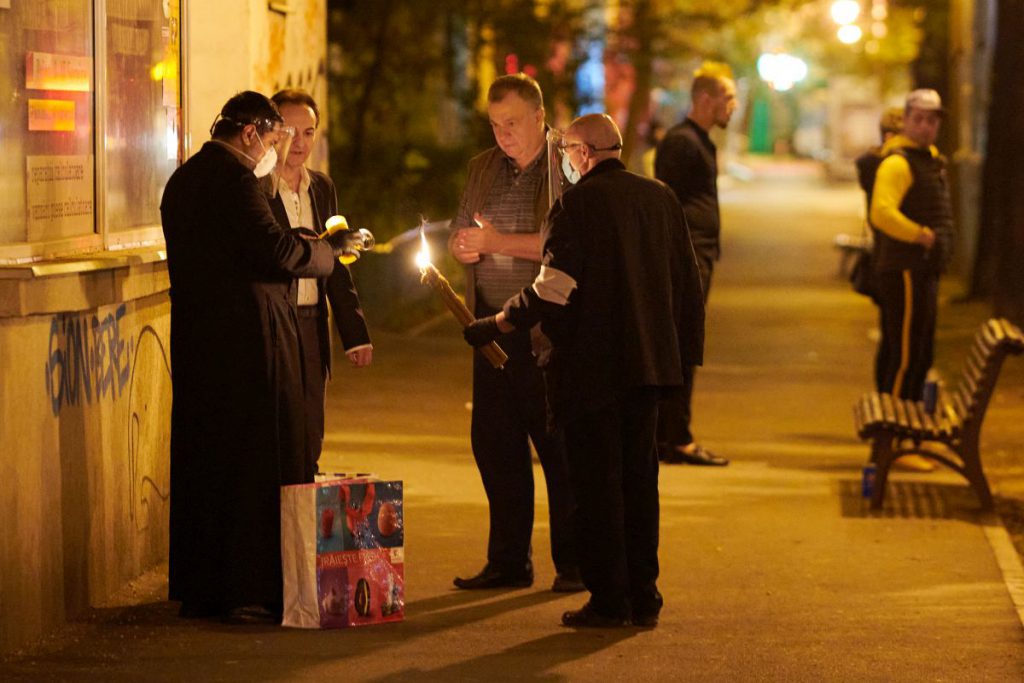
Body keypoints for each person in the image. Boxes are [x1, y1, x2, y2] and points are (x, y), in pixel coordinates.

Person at [462, 114, 705, 627]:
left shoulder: (575, 204)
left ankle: (608, 599)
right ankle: (644, 594)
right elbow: (687, 282)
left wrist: (499, 322)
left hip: (590, 371)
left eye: (566, 151)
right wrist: (681, 358)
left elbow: (555, 287)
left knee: (595, 486)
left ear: (584, 153)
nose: (563, 160)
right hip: (646, 370)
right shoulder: (660, 198)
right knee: (639, 483)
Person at [160, 91, 355, 622]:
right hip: (249, 344)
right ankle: (250, 587)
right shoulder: (236, 182)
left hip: (199, 341)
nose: (276, 149)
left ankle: (202, 588)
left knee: (205, 459)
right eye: (272, 139)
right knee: (258, 460)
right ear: (251, 134)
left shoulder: (182, 181)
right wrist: (327, 253)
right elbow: (275, 251)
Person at [448, 73, 581, 592]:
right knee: (495, 443)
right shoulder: (483, 167)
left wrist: (500, 240)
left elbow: (566, 241)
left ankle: (574, 562)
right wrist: (465, 248)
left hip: (546, 327)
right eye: (495, 124)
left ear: (539, 118)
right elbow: (464, 226)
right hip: (490, 326)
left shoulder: (566, 165)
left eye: (512, 123)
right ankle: (508, 559)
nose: (503, 135)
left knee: (558, 447)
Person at [269, 89, 372, 480]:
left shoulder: (321, 187)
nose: (300, 142)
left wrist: (355, 334)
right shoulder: (258, 188)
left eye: (309, 132)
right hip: (277, 321)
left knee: (311, 431)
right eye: (290, 131)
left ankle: (302, 529)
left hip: (312, 323)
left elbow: (337, 261)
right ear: (273, 132)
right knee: (280, 432)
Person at [653, 62, 736, 466]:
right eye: (729, 97)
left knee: (683, 346)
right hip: (686, 259)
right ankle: (674, 438)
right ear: (706, 99)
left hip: (698, 255)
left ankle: (668, 435)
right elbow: (667, 203)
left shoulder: (698, 140)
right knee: (681, 346)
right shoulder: (682, 143)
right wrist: (679, 259)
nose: (733, 106)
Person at [869, 89, 954, 471]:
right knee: (904, 356)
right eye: (918, 118)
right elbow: (881, 213)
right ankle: (897, 440)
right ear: (905, 119)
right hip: (904, 269)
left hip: (922, 271)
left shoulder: (930, 161)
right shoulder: (898, 163)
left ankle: (907, 436)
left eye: (933, 119)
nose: (926, 125)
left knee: (919, 354)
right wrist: (921, 234)